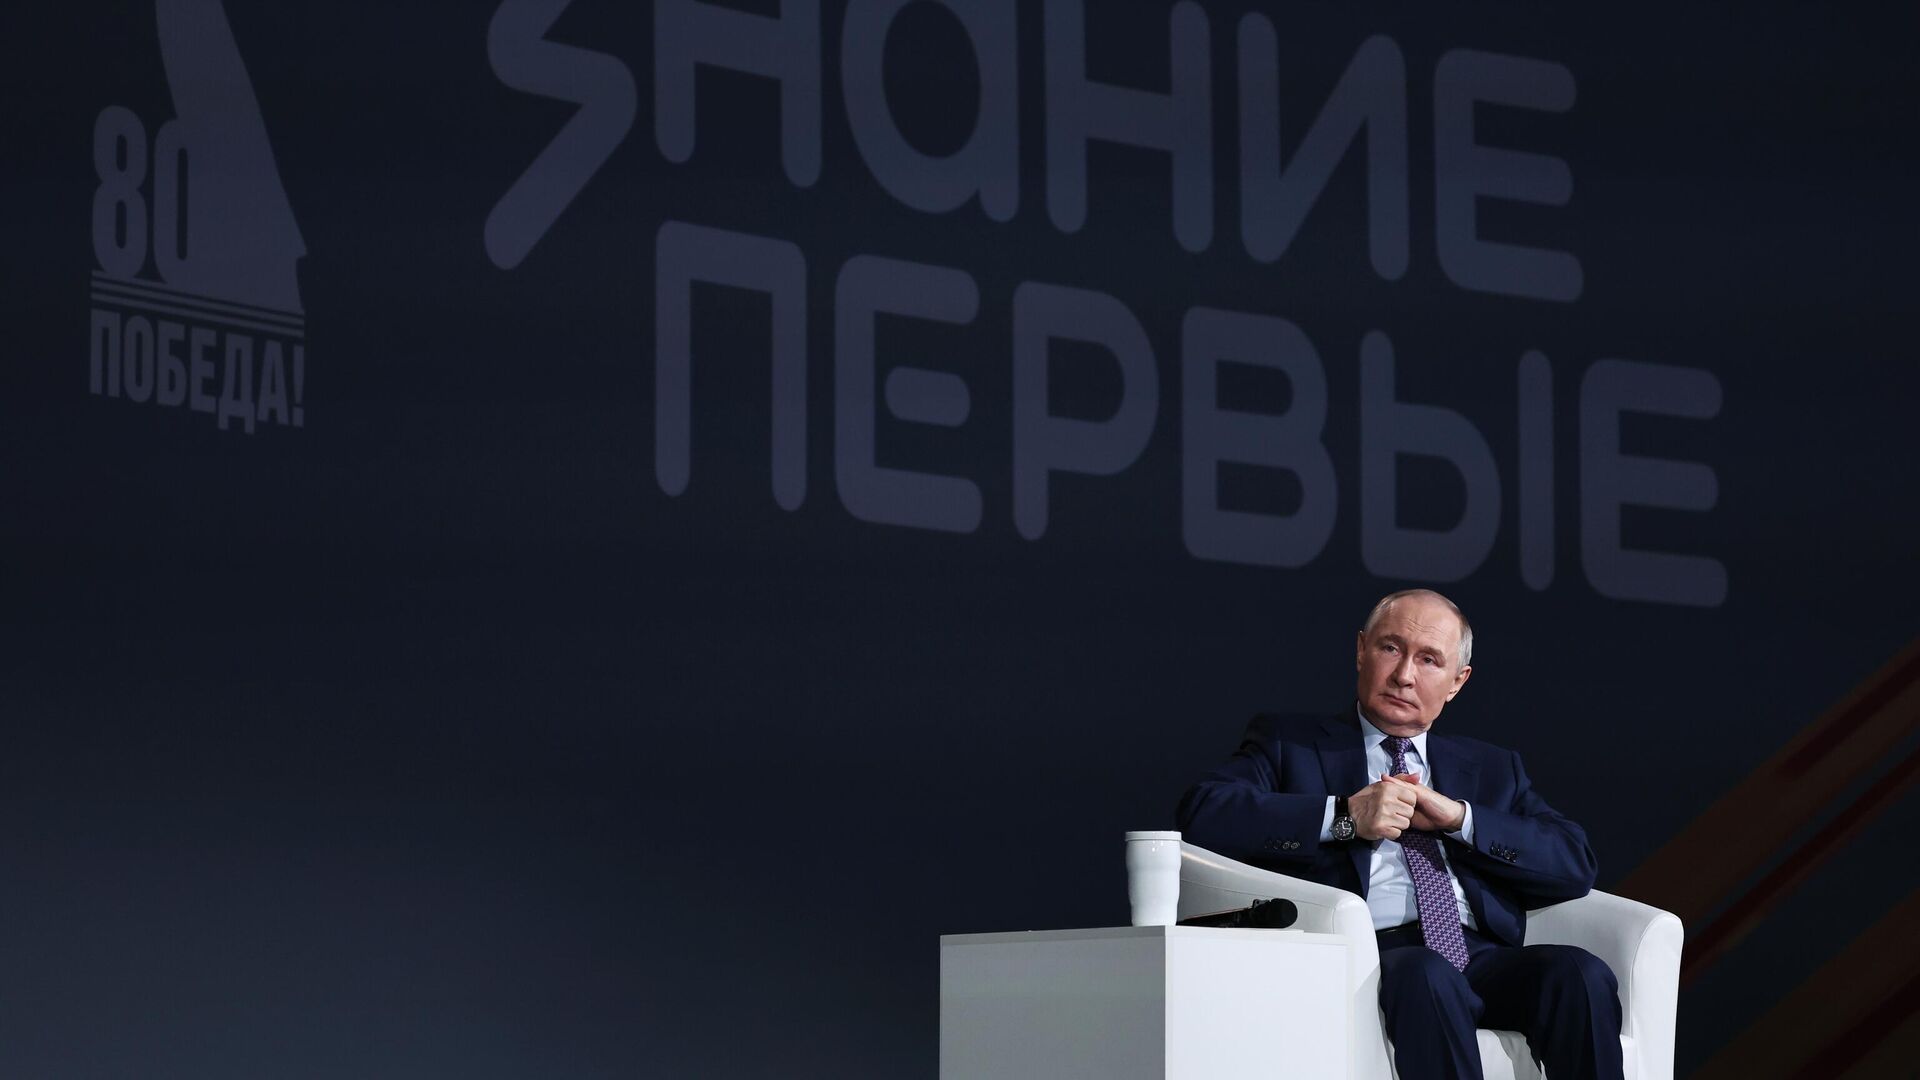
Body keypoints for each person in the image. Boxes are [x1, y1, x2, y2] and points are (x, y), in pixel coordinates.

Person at [1176, 589, 1623, 1080]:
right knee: (1426, 975)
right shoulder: (1290, 744)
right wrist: (1345, 815)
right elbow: (1205, 813)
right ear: (1361, 650)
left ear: (1457, 682)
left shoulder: (1492, 768)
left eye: (1429, 660)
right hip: (1371, 955)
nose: (1404, 675)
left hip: (1479, 956)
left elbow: (1574, 861)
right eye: (1390, 648)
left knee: (1579, 974)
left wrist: (1460, 820)